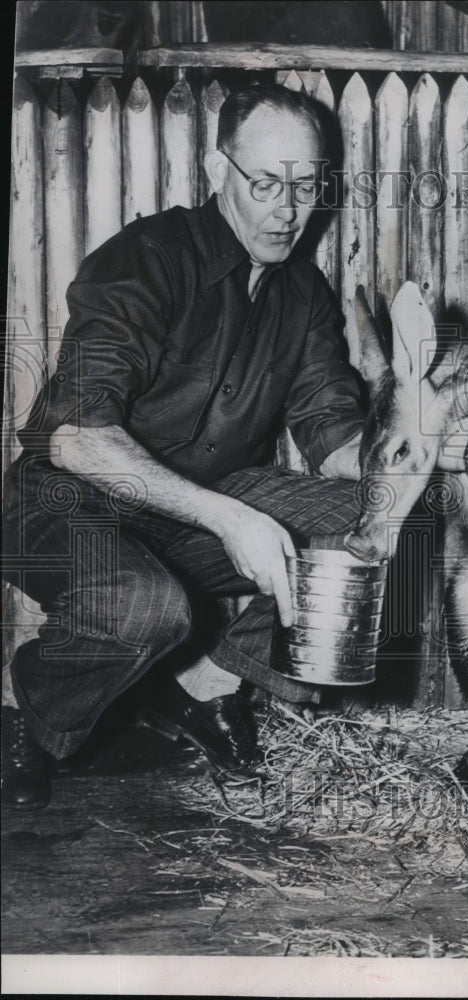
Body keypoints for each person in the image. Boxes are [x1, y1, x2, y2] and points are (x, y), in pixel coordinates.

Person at [1, 84, 366, 810]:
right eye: (265, 183)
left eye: (307, 185)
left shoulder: (304, 293)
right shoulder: (146, 259)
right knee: (145, 607)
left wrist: (417, 455)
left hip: (190, 514)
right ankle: (28, 717)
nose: (288, 208)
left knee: (386, 515)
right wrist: (231, 519)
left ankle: (207, 689)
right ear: (215, 168)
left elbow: (333, 435)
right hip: (62, 505)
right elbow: (75, 436)